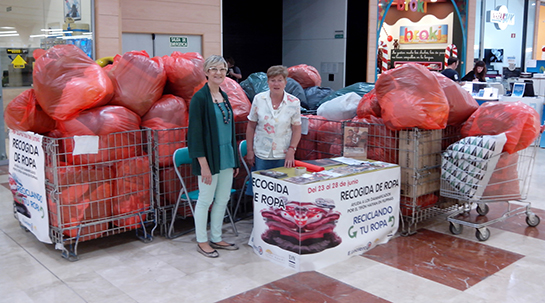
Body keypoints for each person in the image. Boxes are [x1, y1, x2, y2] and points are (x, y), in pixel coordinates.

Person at [187, 55, 240, 258]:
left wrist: (234, 157)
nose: (219, 73)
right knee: (205, 199)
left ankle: (216, 236)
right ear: (206, 72)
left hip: (226, 154)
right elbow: (195, 134)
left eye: (222, 69)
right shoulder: (200, 98)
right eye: (214, 69)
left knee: (223, 198)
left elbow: (230, 129)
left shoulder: (224, 96)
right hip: (208, 157)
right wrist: (203, 165)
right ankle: (202, 241)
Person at [245, 65, 302, 194]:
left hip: (283, 154)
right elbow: (251, 126)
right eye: (273, 80)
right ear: (268, 82)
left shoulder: (294, 102)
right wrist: (249, 150)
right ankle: (259, 214)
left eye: (280, 80)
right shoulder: (259, 99)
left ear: (285, 82)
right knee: (260, 192)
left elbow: (297, 129)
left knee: (280, 192)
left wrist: (291, 150)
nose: (276, 84)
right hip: (261, 154)